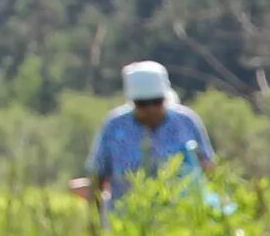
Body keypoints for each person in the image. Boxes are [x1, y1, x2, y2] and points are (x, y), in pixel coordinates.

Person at [82, 61, 216, 215]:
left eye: (156, 102)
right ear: (132, 102)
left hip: (182, 219)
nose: (150, 110)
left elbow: (208, 168)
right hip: (129, 221)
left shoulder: (186, 122)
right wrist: (94, 225)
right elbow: (97, 176)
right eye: (143, 104)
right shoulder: (114, 126)